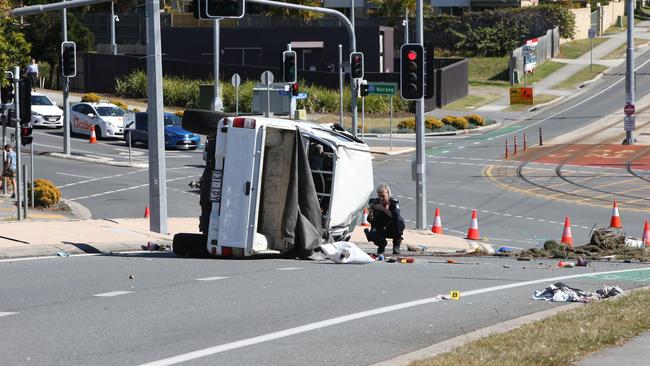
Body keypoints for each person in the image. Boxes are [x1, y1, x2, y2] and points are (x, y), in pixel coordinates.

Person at [364, 183, 405, 255]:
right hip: (380, 227)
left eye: (383, 196)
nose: (381, 198)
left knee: (400, 221)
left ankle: (396, 245)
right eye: (379, 196)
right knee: (372, 235)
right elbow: (371, 221)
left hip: (391, 228)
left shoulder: (393, 203)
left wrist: (383, 209)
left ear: (388, 194)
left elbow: (396, 216)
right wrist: (370, 212)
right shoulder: (375, 202)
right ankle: (381, 246)